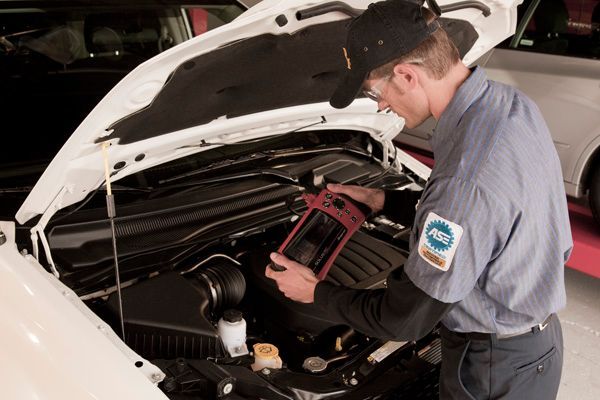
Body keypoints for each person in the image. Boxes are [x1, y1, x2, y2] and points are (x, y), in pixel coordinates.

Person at [265, 0, 573, 399]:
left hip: (493, 369)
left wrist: (314, 292)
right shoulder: (507, 106)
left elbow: (405, 318)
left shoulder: (465, 177)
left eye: (374, 91)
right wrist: (381, 200)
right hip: (534, 348)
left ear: (406, 75)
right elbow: (486, 220)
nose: (378, 105)